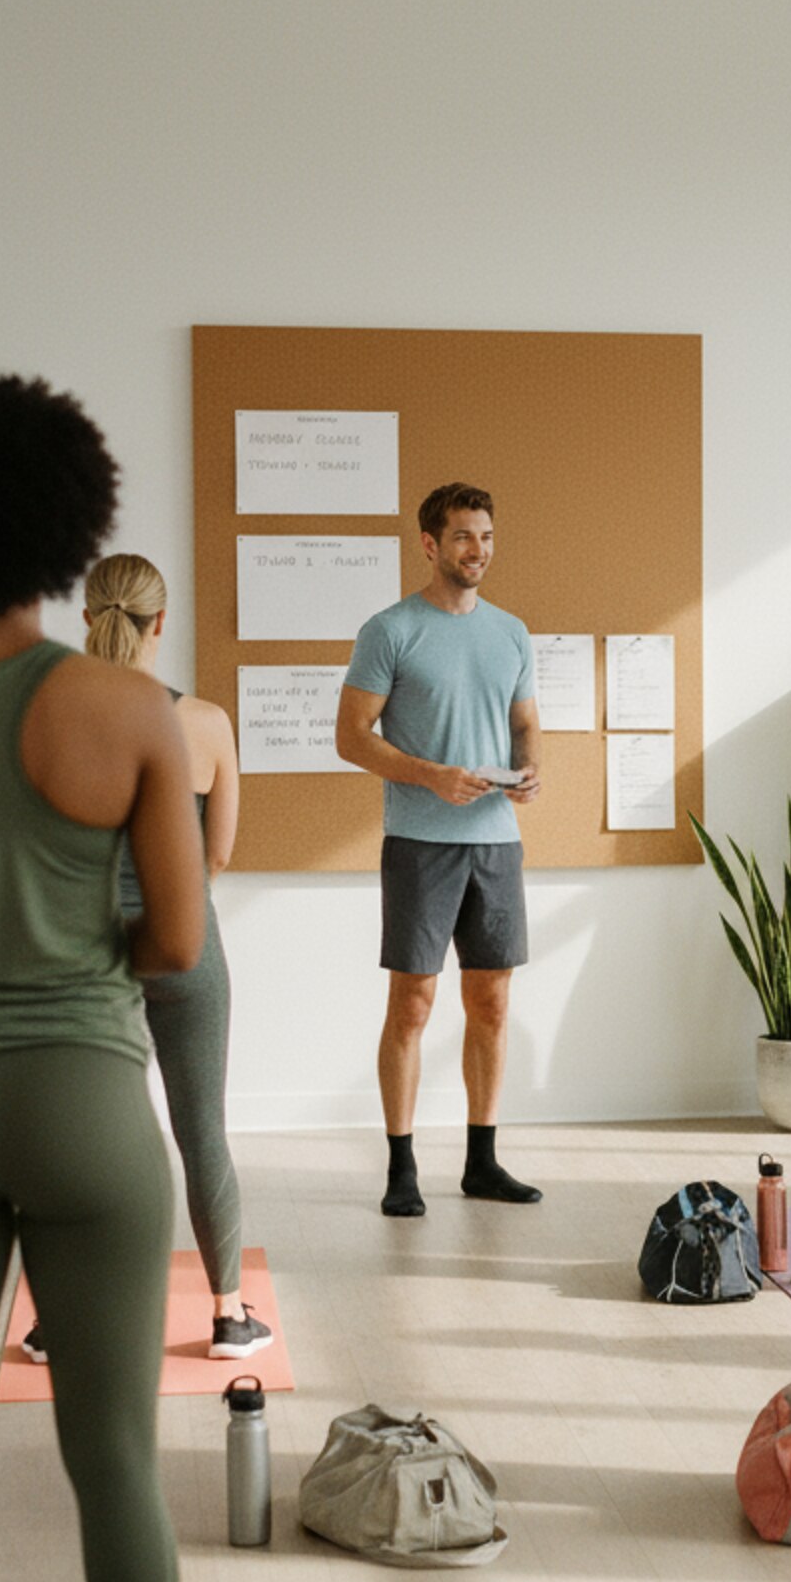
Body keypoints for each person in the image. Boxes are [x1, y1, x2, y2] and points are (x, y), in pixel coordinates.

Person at [0, 374, 240, 1582]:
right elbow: (177, 945)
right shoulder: (130, 710)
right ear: (69, 532)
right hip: (83, 1108)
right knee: (112, 1455)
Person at [20, 554, 271, 1365]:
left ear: (87, 615)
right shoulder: (205, 723)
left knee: (78, 1135)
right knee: (203, 1133)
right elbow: (219, 856)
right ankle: (230, 1315)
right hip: (188, 946)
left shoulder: (47, 716)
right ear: (162, 623)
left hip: (88, 955)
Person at [336, 481, 544, 1218]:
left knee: (490, 1003)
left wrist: (528, 770)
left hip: (496, 842)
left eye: (485, 536)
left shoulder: (511, 632)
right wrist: (431, 777)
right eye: (462, 537)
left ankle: (482, 1162)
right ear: (429, 544)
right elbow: (351, 737)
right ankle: (401, 1167)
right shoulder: (389, 630)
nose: (476, 550)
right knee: (414, 1004)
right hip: (420, 842)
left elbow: (524, 722)